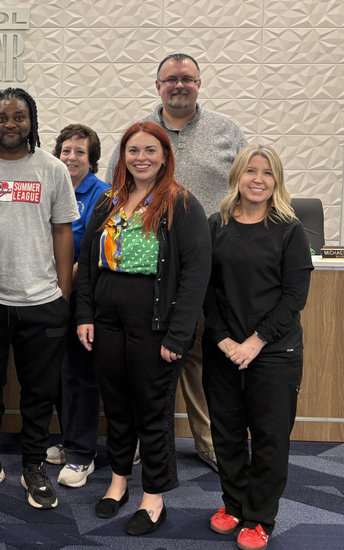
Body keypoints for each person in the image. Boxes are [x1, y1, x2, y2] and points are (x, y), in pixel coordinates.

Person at [104, 53, 249, 471]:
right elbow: (118, 193)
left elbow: (246, 190)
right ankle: (133, 441)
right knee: (144, 361)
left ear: (199, 84)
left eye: (187, 79)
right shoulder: (140, 134)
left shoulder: (226, 131)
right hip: (149, 272)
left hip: (212, 267)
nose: (179, 86)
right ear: (158, 86)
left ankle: (208, 441)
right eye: (171, 80)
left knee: (204, 358)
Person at [75, 121, 210, 536]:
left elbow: (195, 275)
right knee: (115, 405)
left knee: (152, 409)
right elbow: (87, 264)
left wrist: (179, 335)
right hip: (107, 319)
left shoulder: (181, 204)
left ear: (165, 155)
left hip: (156, 322)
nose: (141, 158)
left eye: (151, 150)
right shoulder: (109, 201)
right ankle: (118, 482)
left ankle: (154, 496)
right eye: (133, 150)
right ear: (123, 156)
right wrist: (84, 314)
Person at [0, 88, 78, 510]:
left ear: (33, 121)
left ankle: (33, 466)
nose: (11, 124)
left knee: (37, 393)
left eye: (19, 116)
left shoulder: (51, 169)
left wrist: (63, 295)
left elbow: (63, 230)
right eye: (3, 117)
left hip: (42, 300)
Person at [203, 145, 313, 550]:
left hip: (274, 351)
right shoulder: (216, 225)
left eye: (267, 173)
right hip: (224, 349)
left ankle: (259, 517)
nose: (258, 179)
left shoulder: (289, 229)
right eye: (250, 170)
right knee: (227, 433)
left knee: (270, 437)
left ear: (276, 181)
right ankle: (233, 504)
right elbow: (205, 290)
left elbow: (294, 297)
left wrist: (254, 342)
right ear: (237, 176)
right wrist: (224, 340)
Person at [46, 124, 111, 489]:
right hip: (48, 296)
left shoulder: (102, 196)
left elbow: (88, 252)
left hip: (81, 298)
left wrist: (66, 284)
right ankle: (70, 440)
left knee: (80, 376)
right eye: (66, 150)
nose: (71, 157)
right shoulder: (51, 188)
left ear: (92, 160)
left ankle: (83, 455)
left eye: (80, 152)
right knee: (56, 373)